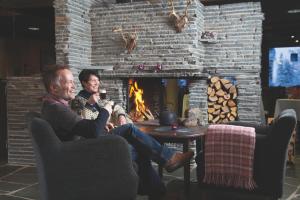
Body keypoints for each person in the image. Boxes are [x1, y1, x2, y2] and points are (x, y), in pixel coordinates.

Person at [40, 65, 194, 199]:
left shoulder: (54, 105)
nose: (73, 86)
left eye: (73, 82)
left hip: (80, 146)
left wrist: (109, 120)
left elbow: (84, 127)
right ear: (54, 88)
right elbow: (92, 130)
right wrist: (106, 110)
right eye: (69, 82)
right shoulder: (60, 108)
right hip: (82, 152)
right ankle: (165, 168)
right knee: (135, 141)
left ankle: (163, 177)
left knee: (132, 135)